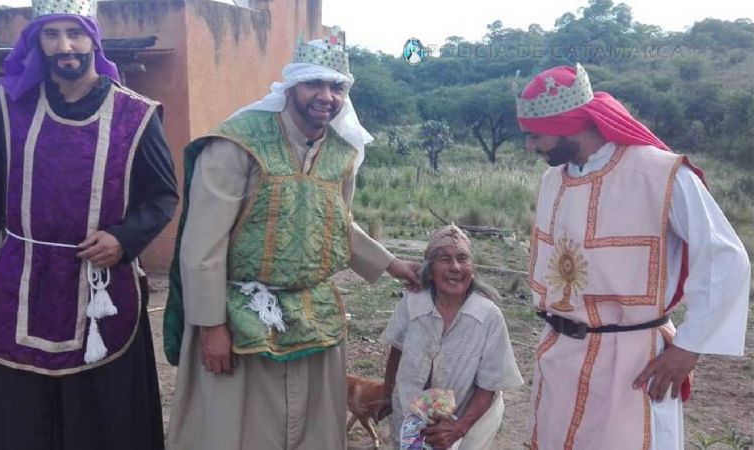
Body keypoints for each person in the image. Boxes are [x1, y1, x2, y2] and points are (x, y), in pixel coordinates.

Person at [164, 31, 420, 450]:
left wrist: (393, 265)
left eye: (337, 87)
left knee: (310, 429)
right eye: (314, 84)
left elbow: (336, 224)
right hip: (238, 313)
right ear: (291, 86)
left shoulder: (341, 153)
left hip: (312, 311)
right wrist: (211, 329)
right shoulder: (237, 144)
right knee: (235, 429)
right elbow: (202, 246)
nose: (326, 96)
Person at [0, 0, 178, 448]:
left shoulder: (135, 115)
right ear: (37, 43)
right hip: (23, 280)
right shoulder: (7, 106)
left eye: (74, 34)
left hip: (102, 286)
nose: (65, 46)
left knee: (103, 414)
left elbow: (163, 195)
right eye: (51, 35)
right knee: (23, 414)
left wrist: (124, 238)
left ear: (93, 39)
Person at [516, 63, 750, 450]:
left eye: (535, 135)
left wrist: (688, 347)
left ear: (569, 124)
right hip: (559, 355)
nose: (529, 146)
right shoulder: (552, 179)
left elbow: (726, 258)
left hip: (631, 361)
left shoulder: (660, 174)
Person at [380, 225, 524, 450]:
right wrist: (387, 393)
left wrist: (458, 429)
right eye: (445, 259)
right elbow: (397, 350)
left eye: (463, 258)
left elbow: (489, 386)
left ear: (472, 268)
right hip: (410, 414)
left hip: (466, 422)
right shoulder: (412, 304)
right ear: (429, 268)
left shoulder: (488, 316)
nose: (455, 267)